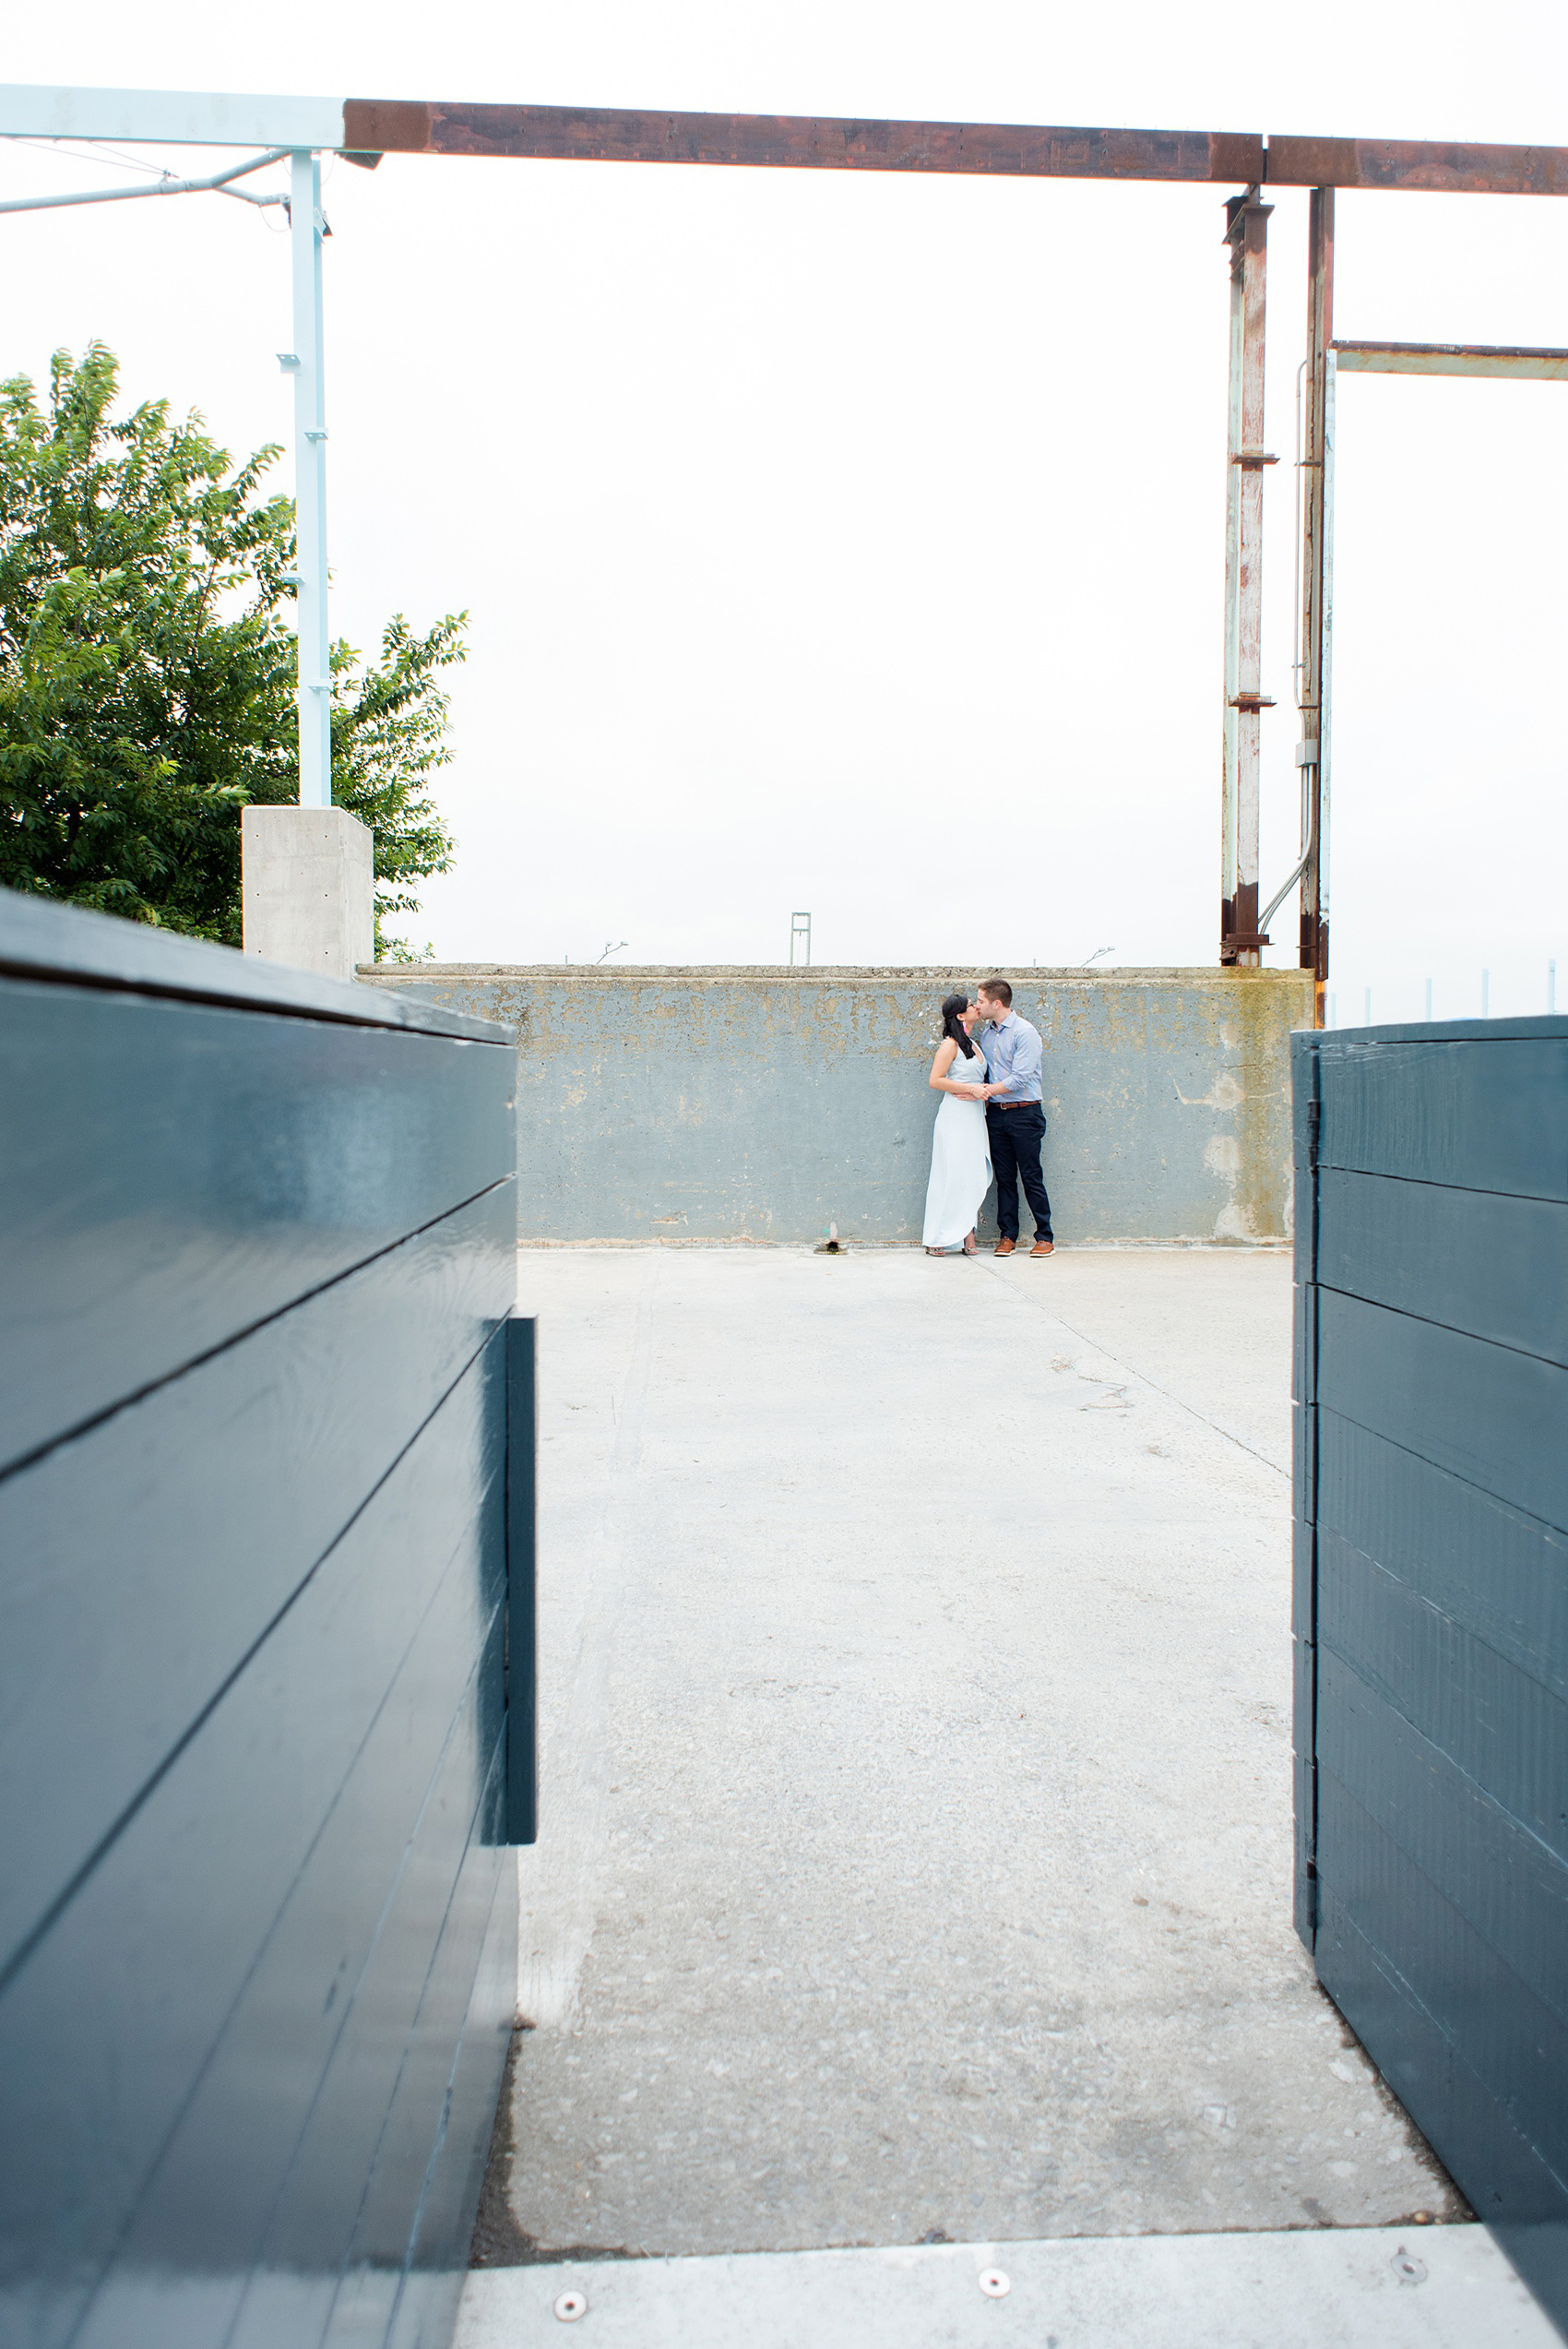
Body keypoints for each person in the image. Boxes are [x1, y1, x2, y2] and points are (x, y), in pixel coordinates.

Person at [975, 977, 1054, 1258]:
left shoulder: (1025, 1032)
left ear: (997, 1003)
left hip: (1024, 1113)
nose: (977, 1005)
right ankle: (1007, 1236)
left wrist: (983, 1091)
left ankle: (1044, 1236)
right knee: (1004, 1178)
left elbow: (1021, 1077)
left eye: (981, 1001)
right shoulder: (987, 1034)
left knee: (1031, 1175)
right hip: (996, 1115)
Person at [921, 993, 992, 1256]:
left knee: (971, 1175)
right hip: (955, 1117)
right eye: (971, 1005)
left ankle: (967, 1234)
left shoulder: (974, 1043)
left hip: (974, 1117)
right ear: (960, 1015)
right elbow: (935, 1080)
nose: (975, 1007)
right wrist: (971, 1088)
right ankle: (936, 1236)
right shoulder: (949, 1045)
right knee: (950, 1174)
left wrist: (979, 1093)